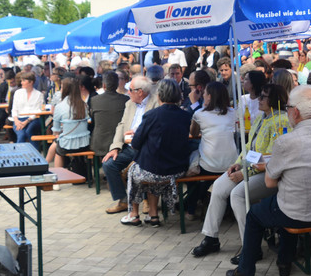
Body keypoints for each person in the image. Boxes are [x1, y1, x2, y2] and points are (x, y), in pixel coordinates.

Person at [226, 85, 311, 276]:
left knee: (256, 214)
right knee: (287, 201)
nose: (286, 111)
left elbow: (269, 182)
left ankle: (245, 271)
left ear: (295, 112)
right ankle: (284, 261)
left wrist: (282, 171)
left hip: (298, 213)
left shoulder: (286, 141)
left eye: (288, 107)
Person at [192, 84, 291, 260]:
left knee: (238, 195)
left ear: (274, 100)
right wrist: (237, 164)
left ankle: (251, 247)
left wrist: (245, 173)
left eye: (263, 97)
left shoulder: (281, 121)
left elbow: (271, 158)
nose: (259, 99)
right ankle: (211, 237)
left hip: (269, 174)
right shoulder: (261, 117)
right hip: (251, 168)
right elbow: (248, 146)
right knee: (219, 187)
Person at [121, 79, 193, 227]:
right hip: (178, 170)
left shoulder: (152, 115)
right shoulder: (185, 116)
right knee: (151, 168)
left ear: (159, 95)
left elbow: (135, 144)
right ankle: (153, 215)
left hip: (156, 170)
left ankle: (134, 214)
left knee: (133, 171)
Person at [100, 76, 159, 214]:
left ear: (140, 92)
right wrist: (115, 147)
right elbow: (121, 125)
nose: (128, 92)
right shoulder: (129, 103)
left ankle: (146, 200)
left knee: (141, 168)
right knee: (108, 164)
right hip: (129, 146)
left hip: (146, 148)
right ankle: (123, 200)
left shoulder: (156, 102)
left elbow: (157, 128)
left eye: (130, 90)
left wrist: (137, 133)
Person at [189, 81, 238, 175]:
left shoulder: (199, 114)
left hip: (208, 166)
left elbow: (193, 133)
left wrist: (195, 103)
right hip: (232, 164)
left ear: (209, 96)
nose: (203, 95)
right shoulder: (233, 113)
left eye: (204, 93)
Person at [51, 76, 91, 177]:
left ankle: (56, 177)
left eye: (61, 87)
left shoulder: (59, 106)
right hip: (85, 143)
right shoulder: (84, 105)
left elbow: (56, 130)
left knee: (57, 150)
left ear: (65, 89)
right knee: (56, 145)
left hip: (67, 145)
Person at [10, 71, 44, 143]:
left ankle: (34, 149)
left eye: (23, 81)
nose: (21, 82)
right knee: (21, 134)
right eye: (21, 80)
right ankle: (20, 150)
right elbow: (14, 109)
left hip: (33, 119)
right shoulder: (17, 93)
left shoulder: (39, 94)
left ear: (31, 82)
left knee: (29, 131)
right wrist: (16, 121)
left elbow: (38, 111)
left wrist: (27, 121)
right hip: (19, 119)